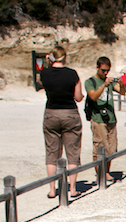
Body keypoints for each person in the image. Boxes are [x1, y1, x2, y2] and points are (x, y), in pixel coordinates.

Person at [39, 45, 84, 199]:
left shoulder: (44, 73)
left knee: (52, 152)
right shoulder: (72, 74)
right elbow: (78, 97)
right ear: (65, 57)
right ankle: (72, 188)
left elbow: (41, 82)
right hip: (69, 112)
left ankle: (52, 189)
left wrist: (47, 63)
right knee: (72, 152)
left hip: (51, 112)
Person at [85, 56, 125, 181]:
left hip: (111, 118)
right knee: (99, 147)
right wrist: (104, 85)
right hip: (98, 118)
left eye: (107, 70)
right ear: (97, 68)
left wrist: (121, 83)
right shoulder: (90, 81)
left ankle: (107, 171)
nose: (106, 73)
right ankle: (100, 173)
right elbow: (93, 96)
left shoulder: (110, 81)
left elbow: (122, 92)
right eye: (103, 70)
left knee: (111, 148)